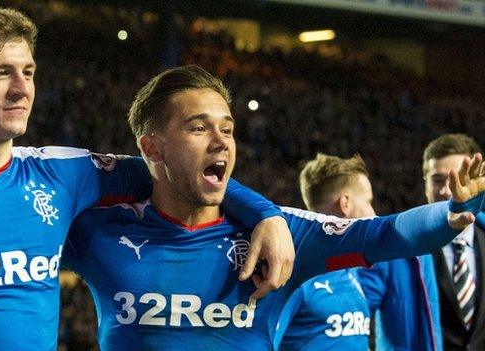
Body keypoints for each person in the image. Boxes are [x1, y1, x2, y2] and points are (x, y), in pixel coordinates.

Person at [0, 6, 295, 350]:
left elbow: (175, 165)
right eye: (0, 73)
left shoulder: (66, 173)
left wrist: (266, 214)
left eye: (27, 71)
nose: (22, 88)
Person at [60, 65, 483, 350]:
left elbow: (388, 234)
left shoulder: (285, 235)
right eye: (198, 127)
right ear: (152, 148)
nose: (222, 139)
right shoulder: (96, 233)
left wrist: (449, 213)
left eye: (227, 128)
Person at [277, 153, 374, 350]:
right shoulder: (294, 273)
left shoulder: (349, 269)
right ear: (345, 203)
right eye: (368, 202)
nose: (374, 214)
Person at [422, 134, 485, 350]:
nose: (445, 191)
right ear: (425, 182)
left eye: (458, 180)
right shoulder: (403, 249)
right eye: (437, 180)